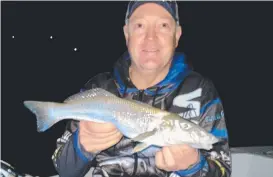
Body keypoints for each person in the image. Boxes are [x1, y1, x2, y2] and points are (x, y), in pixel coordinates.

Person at [51, 1, 232, 177]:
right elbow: (63, 169)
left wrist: (193, 166)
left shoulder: (201, 91)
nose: (150, 37)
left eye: (163, 25)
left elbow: (222, 168)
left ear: (176, 35)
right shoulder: (99, 88)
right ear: (126, 33)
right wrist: (82, 146)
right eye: (139, 25)